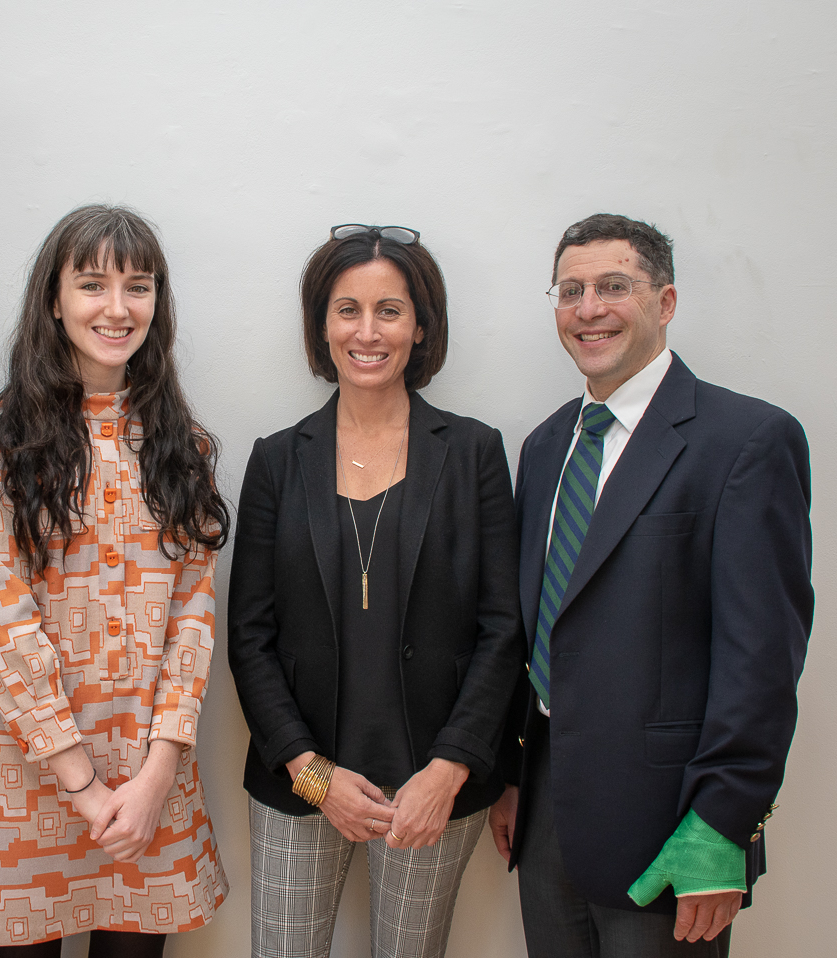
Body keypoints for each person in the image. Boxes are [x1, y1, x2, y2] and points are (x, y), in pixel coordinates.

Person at [489, 213, 813, 957]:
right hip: (544, 818)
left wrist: (723, 825)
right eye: (570, 291)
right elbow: (535, 625)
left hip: (670, 826)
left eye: (613, 287)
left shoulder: (745, 441)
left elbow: (761, 658)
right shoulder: (545, 447)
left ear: (664, 303)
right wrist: (511, 775)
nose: (588, 308)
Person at [0, 205, 230, 957]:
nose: (117, 309)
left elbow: (193, 617)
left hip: (148, 781)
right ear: (54, 300)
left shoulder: (181, 446)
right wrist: (81, 783)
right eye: (92, 284)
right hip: (31, 776)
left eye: (139, 286)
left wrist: (158, 773)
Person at [227, 224, 523, 958]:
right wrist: (309, 770)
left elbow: (502, 627)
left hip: (430, 787)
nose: (368, 331)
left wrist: (451, 768)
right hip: (301, 782)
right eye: (347, 309)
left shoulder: (476, 453)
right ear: (320, 325)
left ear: (421, 327)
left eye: (390, 310)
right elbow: (249, 637)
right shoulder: (275, 460)